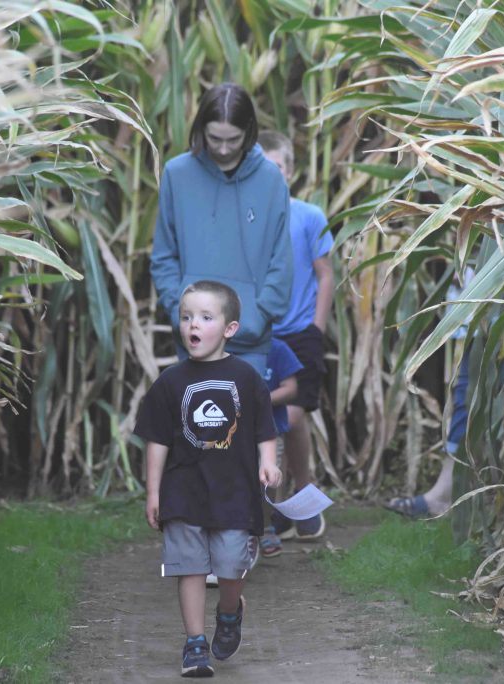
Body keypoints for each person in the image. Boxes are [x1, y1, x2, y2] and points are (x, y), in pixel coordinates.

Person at [135, 280, 283, 678]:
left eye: (204, 317)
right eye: (185, 317)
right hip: (184, 490)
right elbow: (157, 441)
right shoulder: (169, 382)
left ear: (229, 329)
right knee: (190, 567)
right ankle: (195, 644)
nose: (191, 325)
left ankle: (230, 612)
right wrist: (153, 493)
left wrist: (268, 464)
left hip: (235, 491)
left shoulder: (248, 379)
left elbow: (264, 430)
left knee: (232, 566)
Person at [150, 83, 293, 380]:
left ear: (250, 131)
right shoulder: (177, 175)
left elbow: (281, 258)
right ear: (201, 128)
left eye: (234, 140)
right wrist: (181, 312)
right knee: (194, 426)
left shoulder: (271, 179)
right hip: (193, 339)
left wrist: (259, 313)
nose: (224, 149)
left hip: (251, 338)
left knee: (244, 425)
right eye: (215, 139)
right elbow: (164, 255)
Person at [257, 130, 334, 541]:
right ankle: (273, 508)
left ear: (291, 171)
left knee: (293, 414)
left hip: (300, 331)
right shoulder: (247, 221)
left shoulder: (309, 216)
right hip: (262, 332)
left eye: (278, 169)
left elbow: (325, 275)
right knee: (265, 416)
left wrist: (316, 329)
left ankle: (302, 496)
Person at [385, 267, 474, 518]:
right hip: (472, 310)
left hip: (488, 309)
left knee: (468, 397)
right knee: (464, 397)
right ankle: (446, 493)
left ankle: (446, 495)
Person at [259, 337, 303, 558]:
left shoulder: (278, 349)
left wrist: (260, 399)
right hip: (234, 434)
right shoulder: (227, 349)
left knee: (268, 480)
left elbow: (291, 388)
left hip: (272, 430)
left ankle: (267, 526)